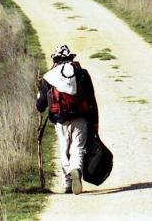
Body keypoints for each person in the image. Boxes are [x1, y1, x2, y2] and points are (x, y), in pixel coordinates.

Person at [36, 45, 99, 194]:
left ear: (56, 59)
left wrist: (39, 98)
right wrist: (95, 121)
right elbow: (91, 100)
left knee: (64, 149)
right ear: (71, 58)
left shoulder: (50, 77)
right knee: (78, 147)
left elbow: (41, 105)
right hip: (81, 117)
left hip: (60, 119)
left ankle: (67, 184)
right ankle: (76, 168)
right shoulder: (82, 74)